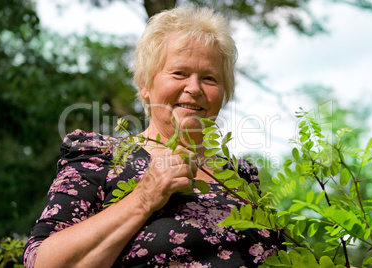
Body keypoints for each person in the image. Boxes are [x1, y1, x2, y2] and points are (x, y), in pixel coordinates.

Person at [24, 7, 285, 267]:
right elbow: (41, 262)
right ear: (145, 85)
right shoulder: (102, 158)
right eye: (179, 73)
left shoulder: (241, 177)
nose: (194, 88)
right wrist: (144, 198)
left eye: (209, 78)